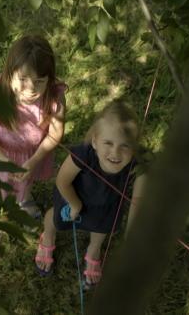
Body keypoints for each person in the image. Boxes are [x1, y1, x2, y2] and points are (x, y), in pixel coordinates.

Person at [34, 99, 147, 288]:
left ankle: (94, 250)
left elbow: (138, 203)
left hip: (107, 204)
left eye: (125, 146)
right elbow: (63, 180)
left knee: (103, 226)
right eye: (108, 143)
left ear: (134, 147)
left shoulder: (139, 167)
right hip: (74, 197)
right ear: (95, 141)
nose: (115, 152)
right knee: (56, 219)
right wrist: (74, 204)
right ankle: (47, 236)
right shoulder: (84, 153)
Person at [0, 35, 67, 232]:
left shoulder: (53, 97)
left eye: (39, 81)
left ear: (49, 79)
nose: (31, 89)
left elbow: (55, 134)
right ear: (9, 74)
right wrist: (2, 160)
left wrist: (32, 162)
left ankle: (22, 200)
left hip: (30, 155)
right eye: (23, 79)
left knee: (26, 179)